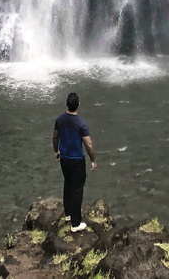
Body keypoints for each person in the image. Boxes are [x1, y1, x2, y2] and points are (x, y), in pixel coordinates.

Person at [52, 91, 96, 232]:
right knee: (77, 189)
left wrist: (56, 151)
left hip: (64, 158)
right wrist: (93, 160)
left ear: (67, 104)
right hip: (76, 160)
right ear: (78, 105)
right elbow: (88, 144)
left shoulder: (60, 119)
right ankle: (76, 224)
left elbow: (55, 136)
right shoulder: (81, 123)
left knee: (68, 184)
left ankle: (68, 214)